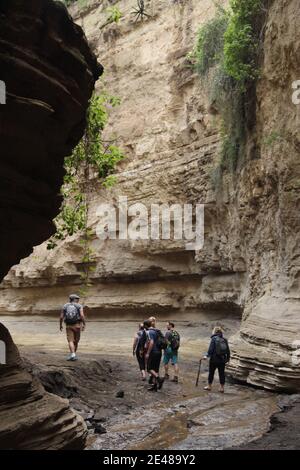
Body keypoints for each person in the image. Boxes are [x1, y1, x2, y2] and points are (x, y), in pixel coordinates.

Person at [203, 326, 230, 393]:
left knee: (211, 373)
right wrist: (228, 359)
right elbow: (228, 350)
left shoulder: (214, 339)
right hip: (222, 359)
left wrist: (206, 356)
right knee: (221, 373)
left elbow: (211, 349)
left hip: (214, 359)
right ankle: (222, 388)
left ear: (214, 331)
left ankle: (209, 386)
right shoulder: (224, 339)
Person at [60, 294, 86, 361]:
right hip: (77, 325)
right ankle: (73, 355)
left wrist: (60, 325)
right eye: (77, 299)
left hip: (68, 325)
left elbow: (61, 317)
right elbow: (82, 315)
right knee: (76, 341)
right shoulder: (79, 306)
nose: (78, 300)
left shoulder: (65, 305)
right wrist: (84, 324)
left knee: (70, 341)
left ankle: (73, 355)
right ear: (74, 299)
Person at [144, 319, 164, 392]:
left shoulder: (149, 332)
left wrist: (148, 353)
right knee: (155, 369)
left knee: (149, 369)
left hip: (153, 352)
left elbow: (151, 342)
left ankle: (158, 379)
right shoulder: (156, 331)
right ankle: (155, 386)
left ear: (146, 325)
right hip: (159, 351)